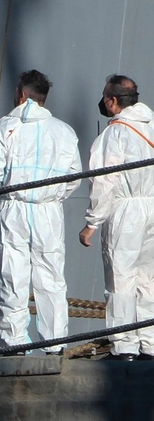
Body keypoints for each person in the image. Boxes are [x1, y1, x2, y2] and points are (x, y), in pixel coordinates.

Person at [0, 70, 81, 355]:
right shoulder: (64, 131)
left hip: (14, 208)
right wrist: (52, 196)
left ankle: (15, 343)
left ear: (21, 95)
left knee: (12, 276)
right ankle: (55, 344)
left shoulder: (6, 127)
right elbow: (74, 176)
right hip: (49, 212)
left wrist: (13, 192)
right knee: (51, 279)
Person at [79, 75, 154, 361]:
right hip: (152, 206)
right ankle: (150, 343)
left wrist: (92, 223)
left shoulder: (115, 133)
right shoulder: (151, 125)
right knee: (148, 278)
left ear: (112, 101)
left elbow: (104, 182)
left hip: (127, 210)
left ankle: (124, 346)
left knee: (120, 278)